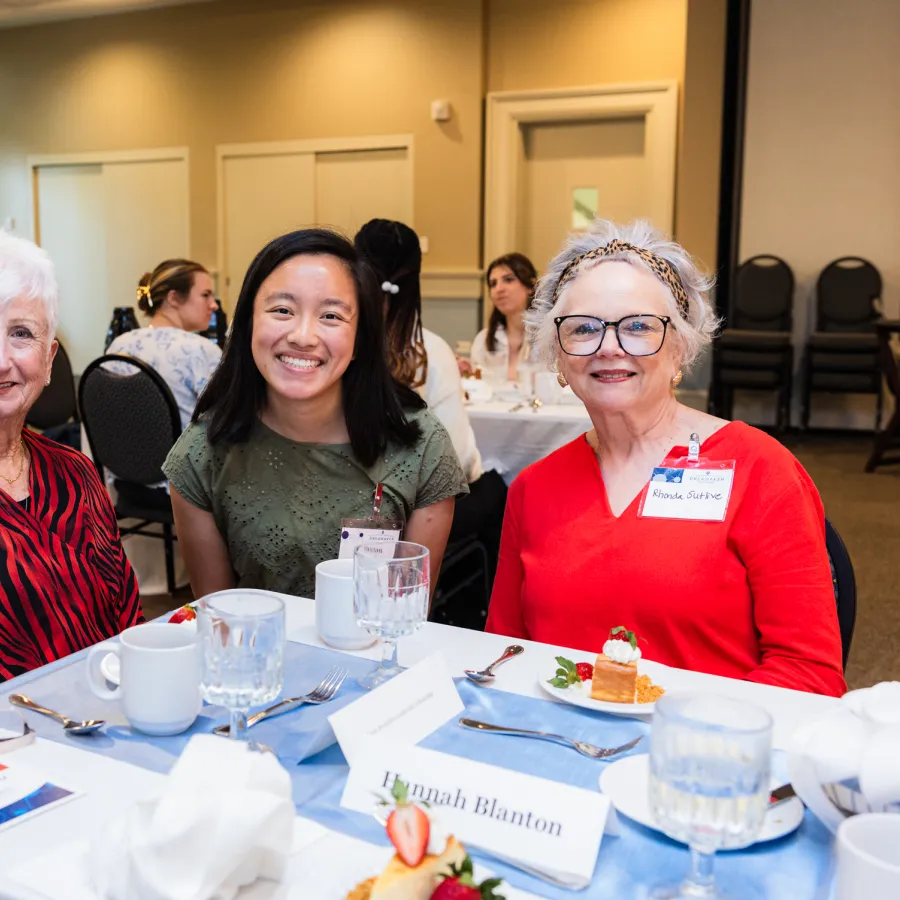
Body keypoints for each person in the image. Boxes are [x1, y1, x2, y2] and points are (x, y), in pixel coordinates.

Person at [485, 219, 845, 697]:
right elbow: (505, 653)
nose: (608, 347)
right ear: (558, 358)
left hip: (699, 757)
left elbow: (809, 675)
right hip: (555, 749)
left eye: (637, 327)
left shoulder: (759, 470)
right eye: (583, 328)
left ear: (680, 347)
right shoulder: (533, 487)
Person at [163, 229, 468, 599]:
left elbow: (406, 617)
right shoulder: (203, 453)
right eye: (282, 310)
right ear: (246, 325)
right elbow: (219, 618)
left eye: (331, 315)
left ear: (360, 341)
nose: (303, 336)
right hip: (257, 654)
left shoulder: (420, 449)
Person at [0, 232, 142, 681]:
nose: (1, 360)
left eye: (21, 334)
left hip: (104, 722)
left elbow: (128, 624)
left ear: (49, 358)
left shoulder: (73, 472)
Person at [355, 219, 508, 628]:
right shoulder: (426, 350)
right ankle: (474, 619)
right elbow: (456, 462)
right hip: (406, 516)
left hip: (350, 502)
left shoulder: (338, 338)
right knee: (495, 489)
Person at [107, 259, 221, 430]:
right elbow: (226, 424)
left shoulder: (118, 346)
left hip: (117, 455)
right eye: (206, 295)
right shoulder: (201, 350)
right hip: (182, 456)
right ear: (173, 298)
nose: (214, 305)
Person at [469, 253, 538, 383]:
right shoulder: (483, 341)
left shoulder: (550, 338)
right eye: (493, 284)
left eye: (508, 279)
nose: (498, 289)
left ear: (530, 286)